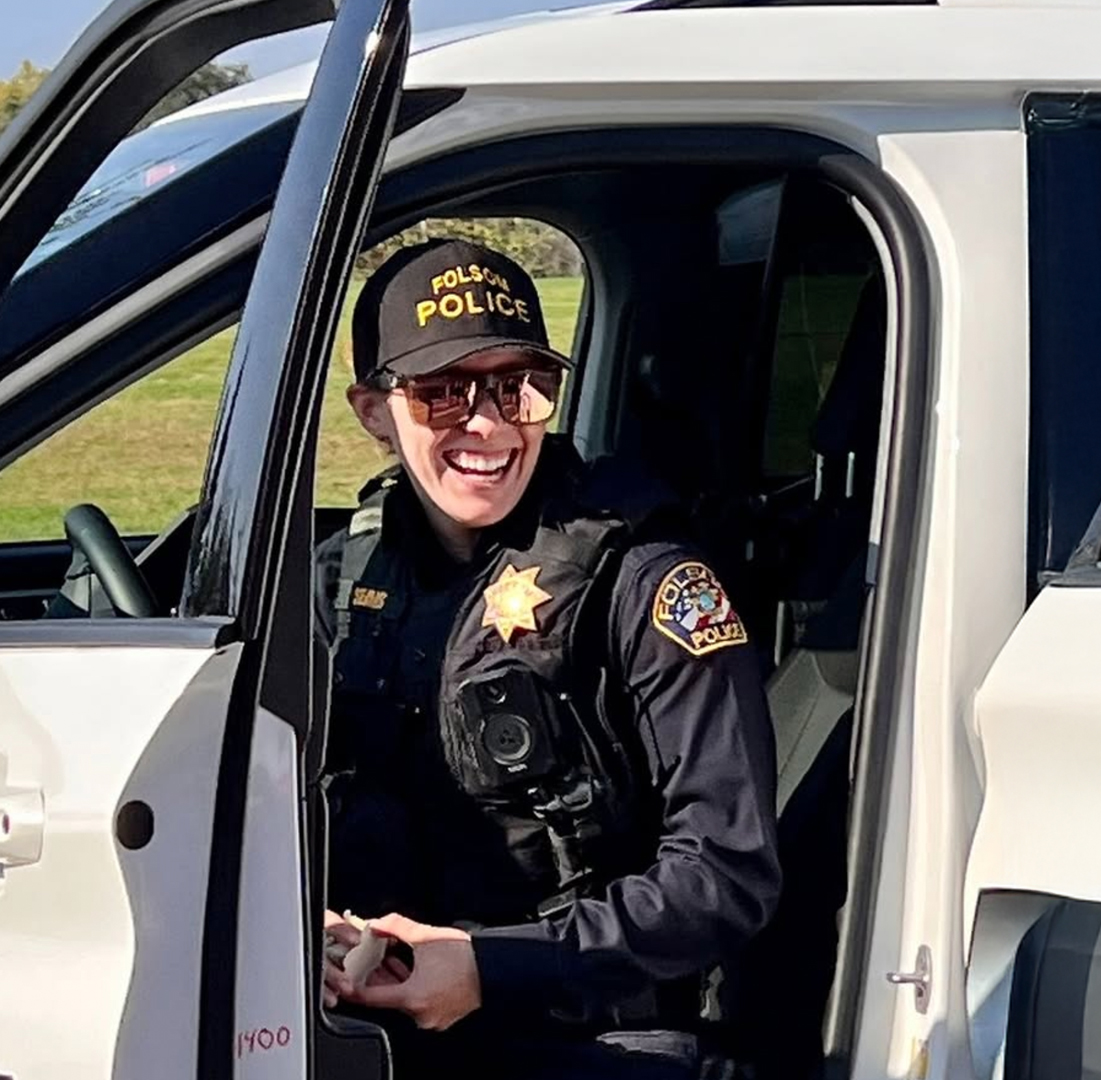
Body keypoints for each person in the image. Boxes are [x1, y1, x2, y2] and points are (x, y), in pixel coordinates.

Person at [312, 237, 782, 1079]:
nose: (487, 423)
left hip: (591, 1032)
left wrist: (497, 967)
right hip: (381, 1014)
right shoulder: (346, 582)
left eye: (517, 387)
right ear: (375, 412)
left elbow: (726, 873)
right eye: (442, 393)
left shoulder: (646, 582)